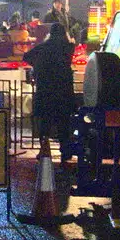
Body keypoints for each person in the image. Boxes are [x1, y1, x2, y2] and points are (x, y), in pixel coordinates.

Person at [23, 22, 76, 157]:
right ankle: (65, 151)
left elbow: (26, 57)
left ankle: (44, 150)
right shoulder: (68, 47)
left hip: (45, 89)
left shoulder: (43, 47)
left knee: (45, 122)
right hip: (63, 91)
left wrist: (37, 65)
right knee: (63, 122)